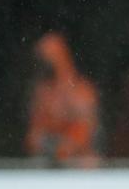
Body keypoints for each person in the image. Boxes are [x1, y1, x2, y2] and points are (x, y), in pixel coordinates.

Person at [25, 32, 101, 168]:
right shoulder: (42, 92)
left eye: (48, 55)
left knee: (88, 161)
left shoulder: (81, 90)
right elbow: (35, 135)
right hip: (48, 159)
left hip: (78, 161)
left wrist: (67, 147)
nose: (43, 61)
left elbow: (88, 130)